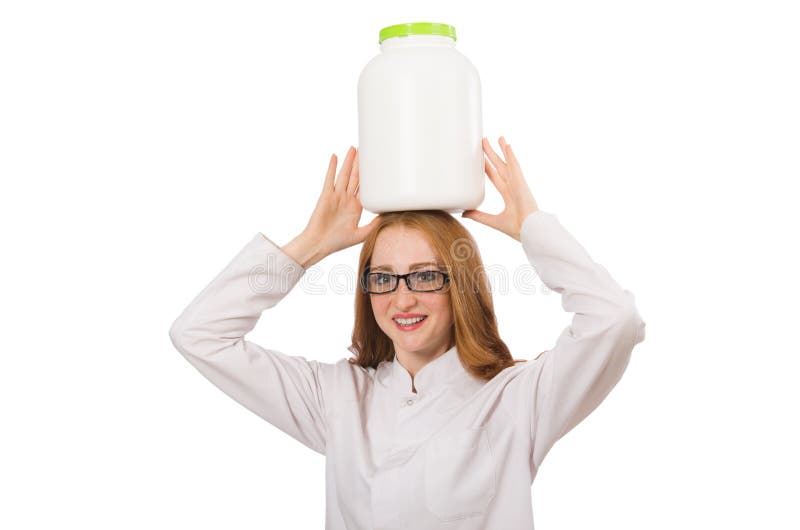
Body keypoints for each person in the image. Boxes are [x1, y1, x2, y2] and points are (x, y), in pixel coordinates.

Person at [169, 137, 647, 530]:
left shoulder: (517, 400)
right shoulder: (336, 399)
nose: (402, 299)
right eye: (384, 278)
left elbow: (615, 319)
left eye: (424, 276)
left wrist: (533, 230)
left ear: (461, 286)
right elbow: (199, 333)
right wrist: (309, 247)